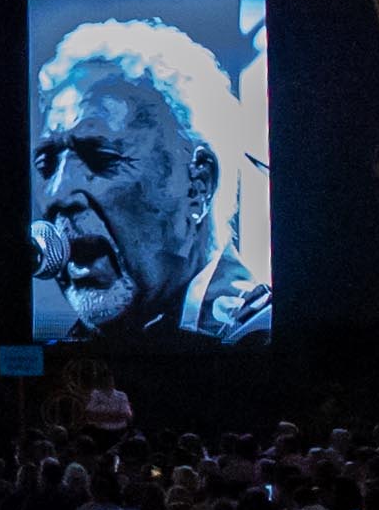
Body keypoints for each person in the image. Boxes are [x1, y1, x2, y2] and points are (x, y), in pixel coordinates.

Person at [26, 20, 269, 343]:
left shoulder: (258, 333)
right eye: (46, 164)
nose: (57, 194)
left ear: (198, 185)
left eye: (102, 157)